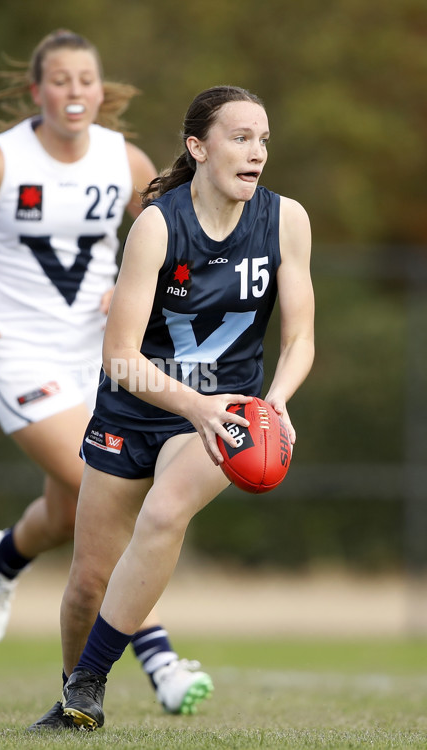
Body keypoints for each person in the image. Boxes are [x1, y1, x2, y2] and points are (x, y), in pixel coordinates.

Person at [0, 29, 213, 722]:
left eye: (87, 80)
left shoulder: (126, 161)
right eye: (62, 80)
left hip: (102, 356)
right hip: (19, 355)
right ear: (35, 91)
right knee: (98, 482)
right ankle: (159, 655)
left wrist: (137, 287)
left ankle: (5, 557)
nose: (76, 92)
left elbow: (169, 244)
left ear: (102, 92)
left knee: (75, 510)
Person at [30, 84, 315, 731]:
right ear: (198, 146)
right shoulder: (158, 225)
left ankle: (91, 685)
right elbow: (121, 356)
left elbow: (301, 338)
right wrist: (194, 405)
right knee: (85, 584)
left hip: (225, 412)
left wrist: (272, 404)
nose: (257, 152)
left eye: (264, 138)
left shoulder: (286, 220)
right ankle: (76, 701)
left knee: (163, 513)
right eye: (241, 137)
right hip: (136, 410)